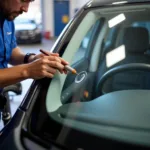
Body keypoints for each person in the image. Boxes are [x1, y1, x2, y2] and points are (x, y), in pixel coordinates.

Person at [0, 0, 69, 90]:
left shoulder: (7, 19)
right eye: (23, 0)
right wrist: (28, 70)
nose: (26, 9)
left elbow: (11, 52)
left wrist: (31, 58)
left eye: (30, 2)